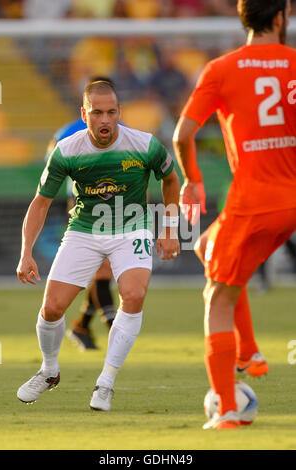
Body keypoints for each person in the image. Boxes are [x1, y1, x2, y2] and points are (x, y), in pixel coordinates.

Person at [16, 80, 180, 411]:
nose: (105, 120)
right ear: (84, 114)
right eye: (97, 113)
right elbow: (41, 201)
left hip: (131, 228)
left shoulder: (145, 145)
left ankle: (105, 383)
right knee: (51, 309)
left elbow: (171, 179)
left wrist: (170, 229)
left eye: (111, 112)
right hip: (84, 230)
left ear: (120, 112)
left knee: (133, 295)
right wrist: (26, 253)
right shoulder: (67, 149)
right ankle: (49, 371)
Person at [173, 0, 296, 429]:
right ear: (282, 17)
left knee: (217, 297)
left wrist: (192, 180)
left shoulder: (221, 69)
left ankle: (225, 408)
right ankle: (250, 352)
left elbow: (183, 134)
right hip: (291, 197)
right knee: (209, 246)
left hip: (255, 201)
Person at [45, 77, 118, 351]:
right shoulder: (110, 130)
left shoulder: (64, 132)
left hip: (112, 206)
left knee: (103, 270)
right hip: (84, 206)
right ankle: (114, 329)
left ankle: (82, 326)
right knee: (102, 268)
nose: (104, 116)